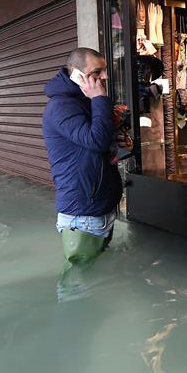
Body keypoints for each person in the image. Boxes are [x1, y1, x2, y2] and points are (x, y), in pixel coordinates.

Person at [43, 47, 130, 263]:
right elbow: (95, 141)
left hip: (97, 209)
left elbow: (94, 145)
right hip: (82, 215)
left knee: (96, 274)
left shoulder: (83, 99)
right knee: (79, 278)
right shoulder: (62, 106)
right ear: (76, 73)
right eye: (97, 72)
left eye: (105, 70)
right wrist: (99, 99)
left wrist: (118, 143)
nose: (105, 76)